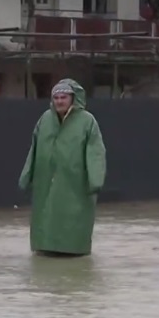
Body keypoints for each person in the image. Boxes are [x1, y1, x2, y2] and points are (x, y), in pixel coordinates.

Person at [18, 78, 107, 256]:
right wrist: (26, 176)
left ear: (73, 98)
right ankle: (44, 247)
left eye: (63, 97)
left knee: (72, 216)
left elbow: (95, 152)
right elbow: (34, 149)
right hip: (45, 180)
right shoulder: (45, 119)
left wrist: (95, 180)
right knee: (46, 215)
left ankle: (73, 250)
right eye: (56, 97)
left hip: (75, 182)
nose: (59, 101)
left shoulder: (87, 121)